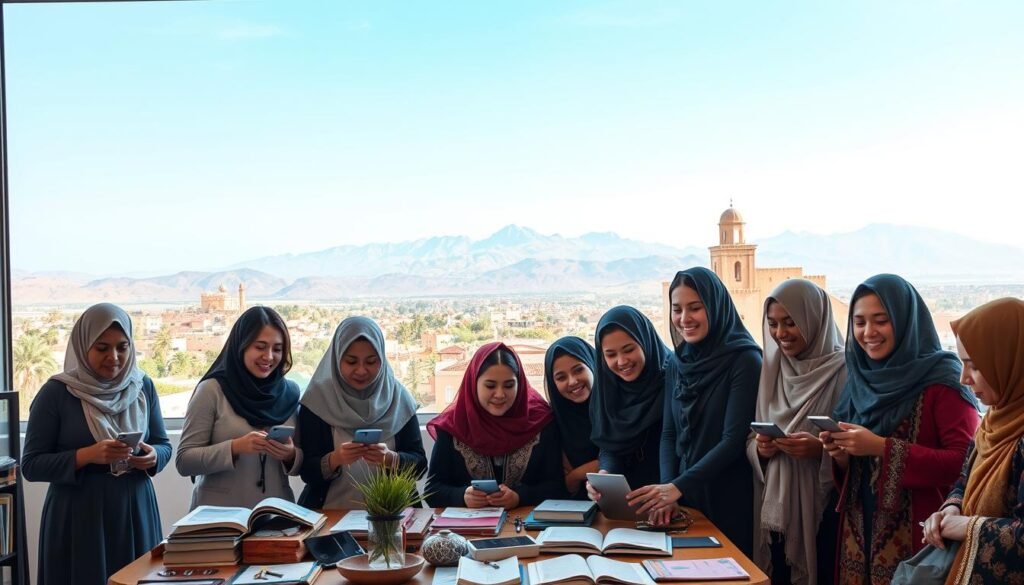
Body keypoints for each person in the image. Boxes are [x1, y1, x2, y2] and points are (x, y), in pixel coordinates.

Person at [821, 273, 980, 584]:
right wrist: (841, 454)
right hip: (858, 534)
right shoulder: (860, 379)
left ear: (906, 320)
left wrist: (880, 447)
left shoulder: (943, 379)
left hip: (922, 538)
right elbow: (860, 470)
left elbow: (964, 464)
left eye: (881, 320)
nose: (868, 332)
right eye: (859, 322)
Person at [22, 303, 172, 585]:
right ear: (83, 347)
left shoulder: (142, 386)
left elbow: (163, 444)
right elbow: (31, 465)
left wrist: (154, 457)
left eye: (122, 347)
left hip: (135, 508)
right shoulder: (56, 393)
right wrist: (87, 455)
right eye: (102, 348)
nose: (114, 357)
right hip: (78, 516)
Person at [629, 267, 761, 557]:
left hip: (727, 496)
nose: (684, 318)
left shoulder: (745, 360)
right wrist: (668, 491)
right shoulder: (678, 362)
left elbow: (732, 440)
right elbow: (669, 433)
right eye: (677, 309)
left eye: (695, 307)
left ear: (714, 306)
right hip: (684, 497)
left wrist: (677, 487)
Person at [744, 279, 847, 585]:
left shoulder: (845, 370)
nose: (780, 333)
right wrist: (761, 449)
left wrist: (819, 450)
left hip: (825, 511)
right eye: (773, 324)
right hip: (776, 512)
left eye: (790, 323)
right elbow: (751, 437)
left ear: (814, 319)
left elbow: (857, 447)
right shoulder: (773, 368)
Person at [920, 298, 1024, 583]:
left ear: (1010, 361)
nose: (964, 378)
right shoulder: (994, 420)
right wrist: (950, 508)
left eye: (975, 366)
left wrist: (968, 527)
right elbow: (965, 479)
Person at [176, 306, 300, 508]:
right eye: (260, 347)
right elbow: (185, 461)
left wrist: (290, 455)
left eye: (277, 349)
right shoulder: (212, 390)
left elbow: (301, 460)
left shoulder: (290, 393)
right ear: (241, 345)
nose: (269, 356)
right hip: (219, 514)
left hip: (276, 512)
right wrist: (235, 447)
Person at [297, 316, 426, 508]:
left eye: (371, 362)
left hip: (393, 516)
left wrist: (391, 459)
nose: (361, 370)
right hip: (330, 515)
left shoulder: (398, 398)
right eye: (351, 362)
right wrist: (335, 459)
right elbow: (307, 471)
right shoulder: (318, 399)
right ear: (337, 359)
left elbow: (420, 466)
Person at [426, 342, 565, 508]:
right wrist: (462, 496)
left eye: (509, 385)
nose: (499, 394)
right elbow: (432, 491)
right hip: (470, 524)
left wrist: (519, 497)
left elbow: (557, 487)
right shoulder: (453, 425)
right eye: (490, 386)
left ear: (520, 384)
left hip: (526, 522)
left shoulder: (541, 422)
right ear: (474, 383)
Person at [587, 306, 671, 493]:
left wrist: (669, 490)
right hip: (628, 500)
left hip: (673, 495)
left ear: (645, 342)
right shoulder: (607, 389)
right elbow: (610, 444)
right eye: (611, 354)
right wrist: (605, 475)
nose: (622, 361)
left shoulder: (674, 379)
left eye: (629, 349)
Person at [545, 336, 600, 499]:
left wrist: (575, 475)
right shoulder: (553, 420)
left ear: (593, 364)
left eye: (578, 370)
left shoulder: (615, 407)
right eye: (561, 377)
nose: (572, 381)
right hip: (574, 508)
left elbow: (623, 457)